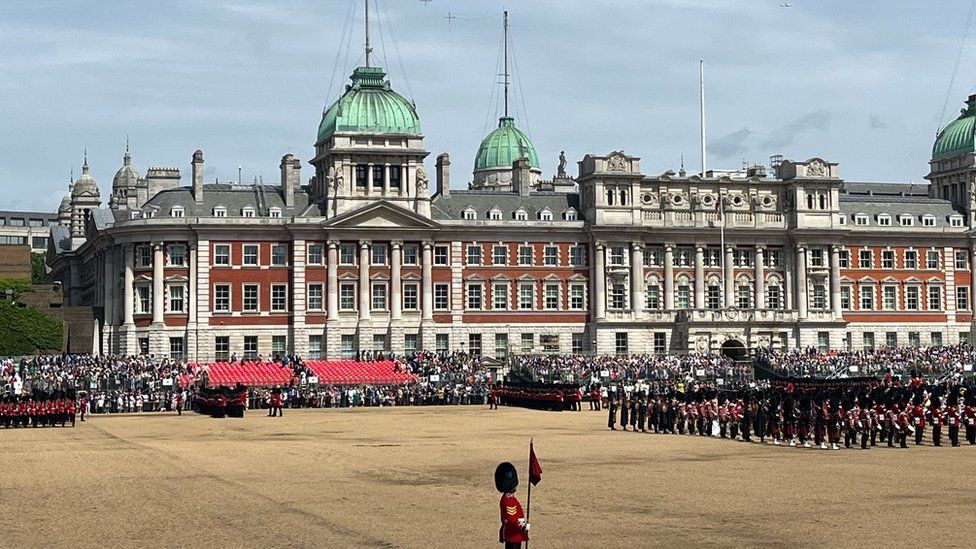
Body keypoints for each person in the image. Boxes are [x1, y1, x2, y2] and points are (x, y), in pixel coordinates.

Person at [495, 462, 529, 548]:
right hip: (514, 535)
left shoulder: (507, 498)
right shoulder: (509, 501)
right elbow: (513, 519)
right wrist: (525, 526)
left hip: (512, 534)